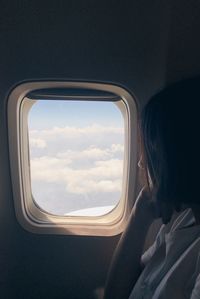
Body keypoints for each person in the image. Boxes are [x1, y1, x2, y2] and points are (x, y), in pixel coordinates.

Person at [103, 76, 200, 299]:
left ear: (177, 157)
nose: (141, 162)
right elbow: (116, 294)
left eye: (149, 150)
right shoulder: (184, 219)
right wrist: (139, 216)